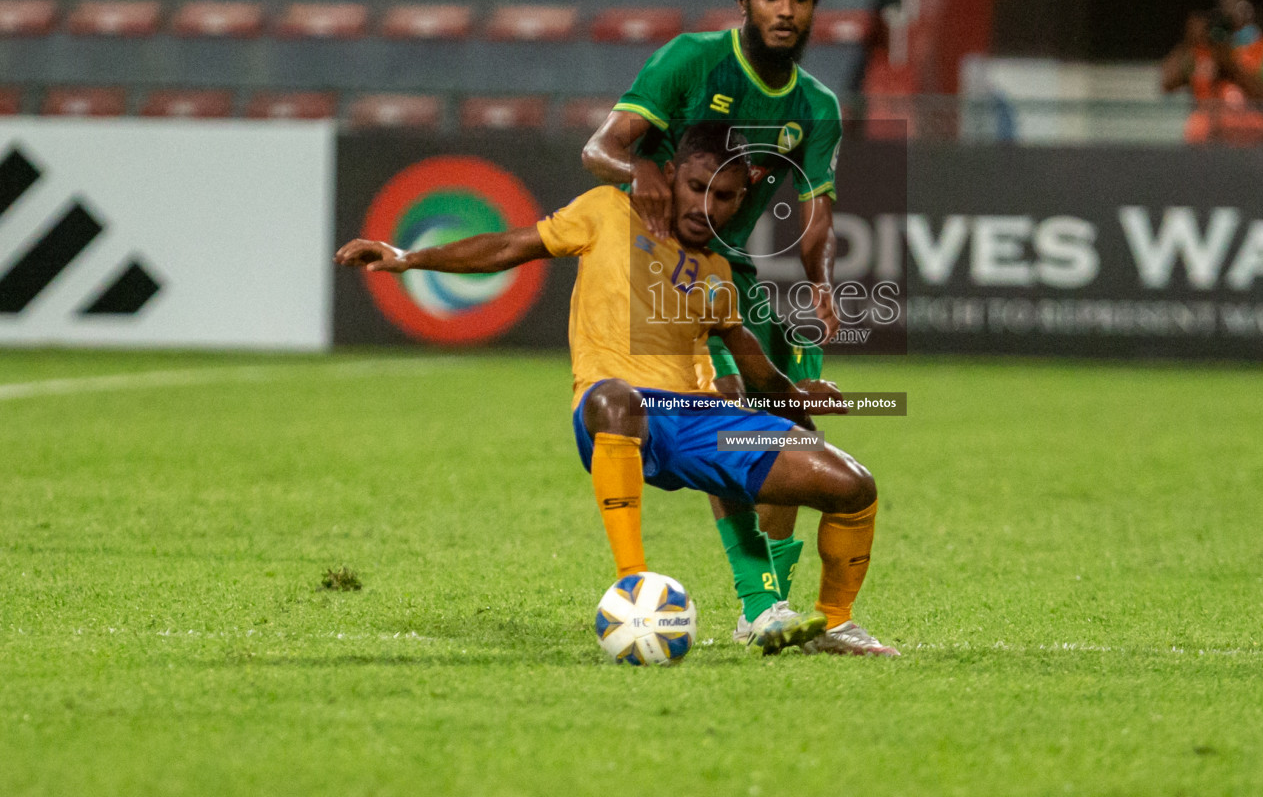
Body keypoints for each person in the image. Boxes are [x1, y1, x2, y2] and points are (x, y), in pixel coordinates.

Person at [335, 123, 898, 657]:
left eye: (724, 196)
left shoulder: (716, 273)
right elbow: (510, 247)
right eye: (697, 187)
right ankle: (634, 588)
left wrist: (802, 402)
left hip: (699, 422)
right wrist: (410, 257)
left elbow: (757, 372)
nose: (708, 207)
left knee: (851, 483)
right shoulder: (606, 211)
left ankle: (831, 620)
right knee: (616, 397)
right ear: (671, 176)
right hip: (618, 415)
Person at [581, 0, 844, 642]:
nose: (785, 9)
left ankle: (771, 606)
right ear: (744, 0)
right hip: (661, 272)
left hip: (734, 275)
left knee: (793, 425)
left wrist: (819, 284)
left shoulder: (816, 106)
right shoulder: (692, 61)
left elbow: (817, 215)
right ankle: (758, 604)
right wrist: (638, 170)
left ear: (815, 7)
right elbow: (600, 145)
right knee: (730, 415)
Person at [1163, 0, 1263, 145]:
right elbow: (1168, 83)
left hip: (1252, 146)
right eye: (1221, 8)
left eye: (1232, 7)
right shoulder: (1204, 51)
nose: (1225, 13)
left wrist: (1232, 66)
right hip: (1206, 147)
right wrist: (1190, 41)